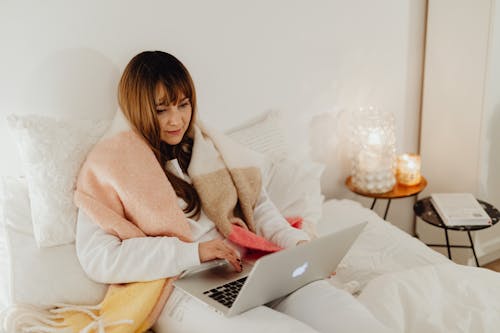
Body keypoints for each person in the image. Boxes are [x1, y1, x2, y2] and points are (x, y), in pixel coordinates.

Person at [75, 51, 390, 333]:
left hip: (250, 270)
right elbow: (99, 259)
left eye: (183, 105)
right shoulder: (108, 166)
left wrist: (299, 245)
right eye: (161, 110)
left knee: (350, 318)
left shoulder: (207, 146)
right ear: (139, 108)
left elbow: (259, 208)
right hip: (179, 287)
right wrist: (193, 252)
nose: (176, 120)